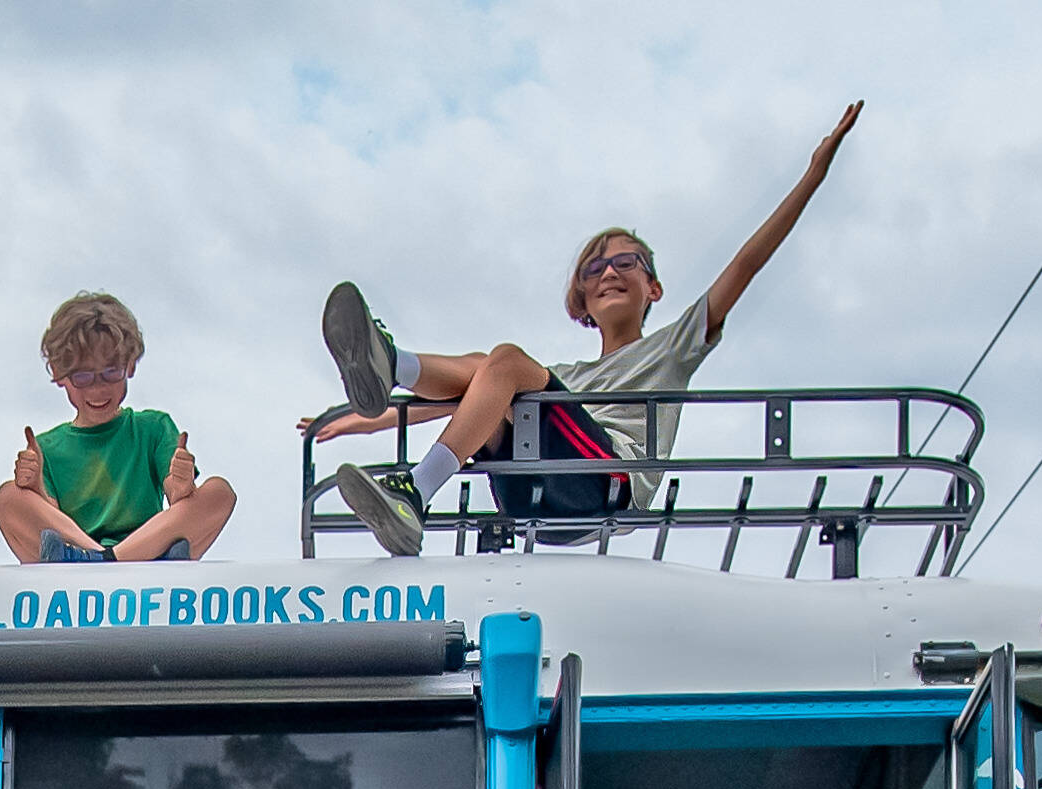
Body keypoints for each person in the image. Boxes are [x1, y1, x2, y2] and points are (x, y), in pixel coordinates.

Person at [306, 102, 861, 555]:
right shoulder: (565, 377)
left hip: (602, 488)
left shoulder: (672, 349)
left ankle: (411, 468)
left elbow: (745, 264)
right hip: (533, 491)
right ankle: (390, 369)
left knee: (503, 363)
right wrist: (360, 420)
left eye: (628, 262)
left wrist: (813, 174)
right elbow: (455, 403)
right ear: (582, 302)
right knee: (491, 375)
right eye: (595, 269)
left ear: (654, 289)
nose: (610, 272)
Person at [0, 292, 236, 564]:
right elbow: (51, 523)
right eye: (83, 376)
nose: (98, 388)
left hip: (143, 554)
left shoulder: (153, 428)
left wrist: (182, 485)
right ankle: (98, 560)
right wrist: (35, 488)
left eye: (110, 372)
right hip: (77, 559)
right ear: (62, 377)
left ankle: (106, 561)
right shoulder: (46, 449)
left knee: (219, 492)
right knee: (8, 497)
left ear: (129, 366)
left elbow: (178, 499)